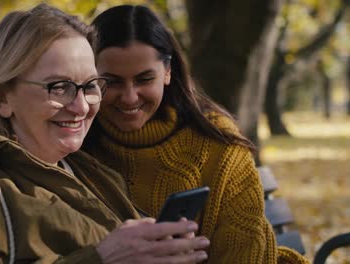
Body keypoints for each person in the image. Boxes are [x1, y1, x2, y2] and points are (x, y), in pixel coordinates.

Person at [0, 4, 210, 264]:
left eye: (90, 86)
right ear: (2, 98)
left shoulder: (87, 170)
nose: (80, 107)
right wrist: (103, 258)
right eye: (58, 87)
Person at [82, 5, 309, 263]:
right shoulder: (71, 145)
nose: (129, 97)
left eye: (144, 79)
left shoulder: (217, 145)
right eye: (111, 82)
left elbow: (244, 251)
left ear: (167, 72)